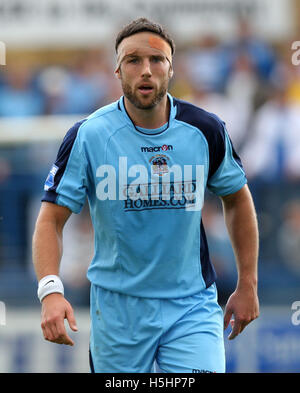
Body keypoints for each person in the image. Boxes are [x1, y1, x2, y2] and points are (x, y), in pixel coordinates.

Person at [32, 18, 259, 373]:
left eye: (157, 60)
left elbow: (238, 198)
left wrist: (248, 283)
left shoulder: (205, 130)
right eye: (134, 60)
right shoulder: (89, 135)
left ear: (172, 67)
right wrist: (50, 290)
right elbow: (50, 219)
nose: (146, 70)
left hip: (191, 306)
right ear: (118, 70)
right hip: (118, 310)